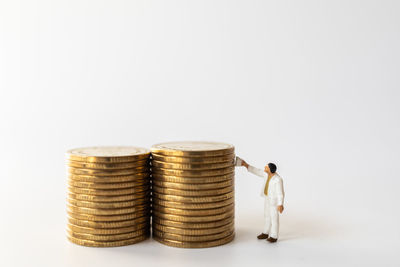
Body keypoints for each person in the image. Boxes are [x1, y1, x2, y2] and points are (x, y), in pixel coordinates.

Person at [238, 158, 285, 243]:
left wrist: (280, 204)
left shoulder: (278, 180)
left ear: (271, 170)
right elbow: (257, 171)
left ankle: (274, 236)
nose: (264, 168)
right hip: (267, 198)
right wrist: (246, 165)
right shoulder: (266, 174)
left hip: (274, 202)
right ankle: (265, 232)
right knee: (267, 216)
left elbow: (280, 193)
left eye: (266, 167)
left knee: (274, 218)